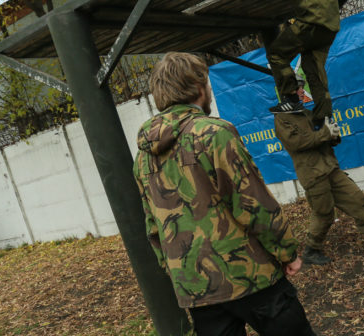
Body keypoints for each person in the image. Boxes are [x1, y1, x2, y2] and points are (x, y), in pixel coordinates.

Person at [133, 52, 315, 336]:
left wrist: (179, 273)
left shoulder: (143, 158)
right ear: (198, 87)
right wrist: (286, 252)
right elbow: (253, 202)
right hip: (250, 275)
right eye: (206, 83)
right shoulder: (214, 133)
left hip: (196, 287)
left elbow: (152, 226)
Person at [273, 80, 364, 265]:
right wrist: (325, 133)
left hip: (329, 167)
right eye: (298, 88)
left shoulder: (306, 113)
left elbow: (321, 137)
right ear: (287, 92)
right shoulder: (282, 119)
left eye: (302, 87)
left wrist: (333, 135)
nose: (302, 91)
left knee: (355, 198)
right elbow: (297, 143)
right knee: (324, 213)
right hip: (313, 174)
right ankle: (311, 250)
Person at [259, 0, 340, 126]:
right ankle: (324, 118)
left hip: (312, 21)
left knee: (277, 54)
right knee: (313, 70)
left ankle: (291, 98)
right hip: (329, 26)